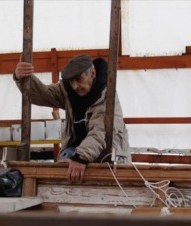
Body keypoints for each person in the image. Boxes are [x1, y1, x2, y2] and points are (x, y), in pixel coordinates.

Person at [13, 54, 131, 183]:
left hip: (107, 155)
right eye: (71, 82)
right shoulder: (68, 90)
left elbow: (100, 132)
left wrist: (80, 158)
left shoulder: (106, 97)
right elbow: (41, 94)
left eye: (79, 79)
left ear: (92, 73)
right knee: (62, 173)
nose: (75, 86)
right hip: (76, 151)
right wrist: (23, 78)